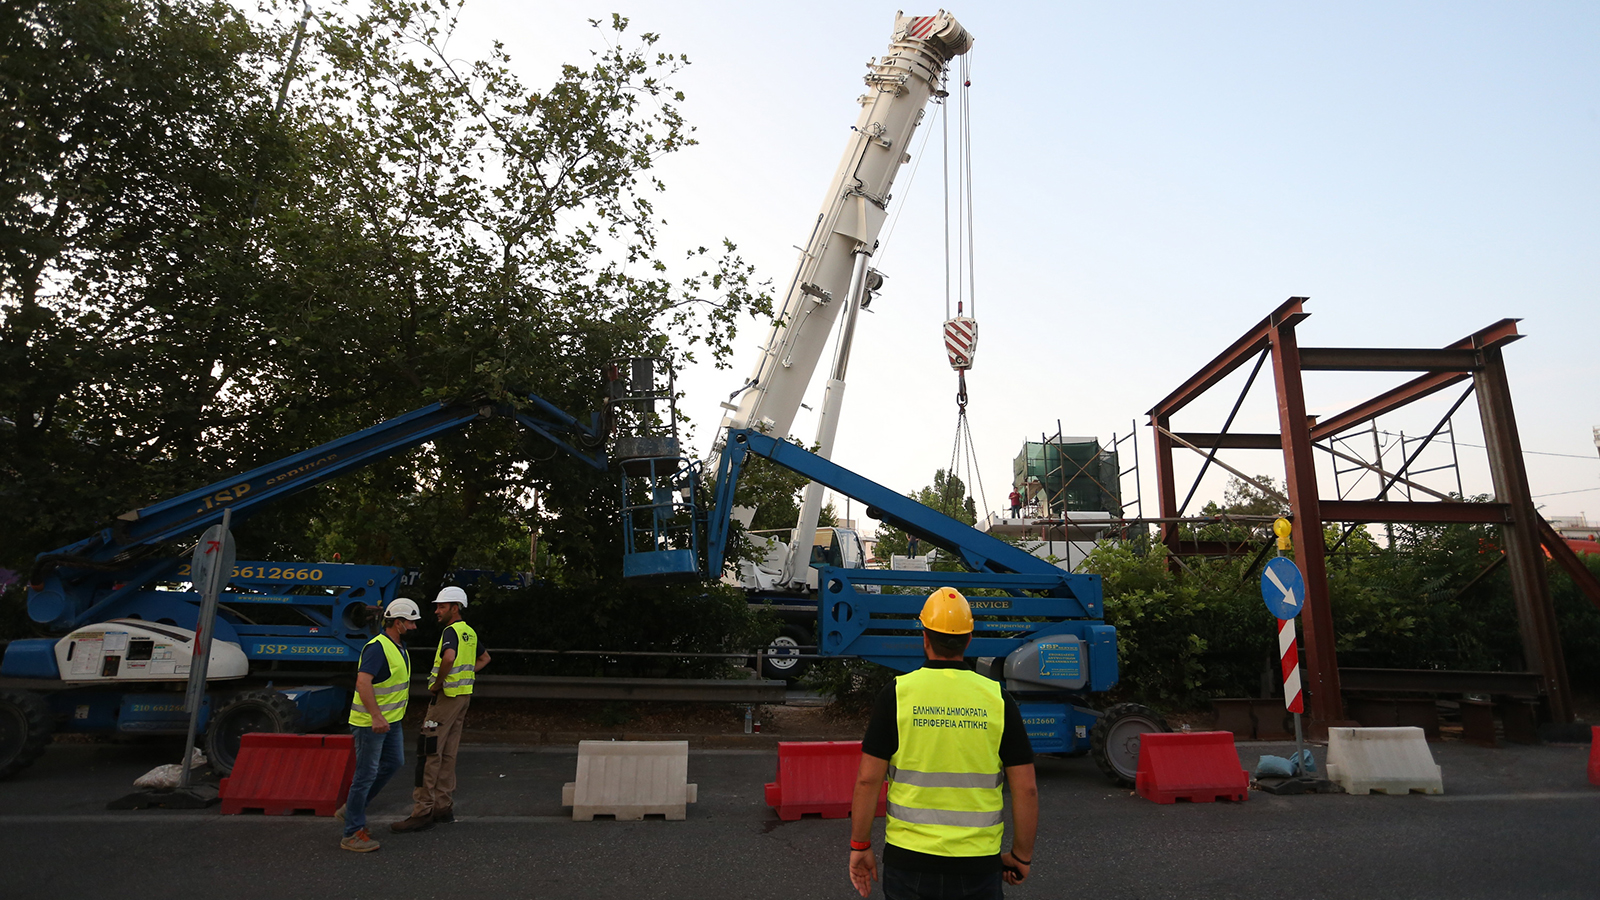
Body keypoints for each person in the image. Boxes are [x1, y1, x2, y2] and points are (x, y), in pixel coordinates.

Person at [848, 587, 1037, 899]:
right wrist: (1021, 856)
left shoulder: (897, 694)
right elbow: (1026, 788)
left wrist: (860, 845)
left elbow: (868, 780)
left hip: (908, 861)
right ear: (969, 640)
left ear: (924, 638)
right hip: (978, 864)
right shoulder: (997, 699)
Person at [392, 585, 492, 832]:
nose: (436, 611)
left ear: (454, 608)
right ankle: (443, 807)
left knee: (429, 751)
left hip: (445, 699)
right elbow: (485, 658)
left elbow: (448, 658)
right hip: (462, 698)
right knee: (448, 753)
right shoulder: (469, 632)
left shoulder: (451, 631)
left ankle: (422, 811)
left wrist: (438, 684)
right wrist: (465, 676)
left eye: (442, 607)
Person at [340, 597, 420, 852]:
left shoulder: (398, 646)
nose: (415, 626)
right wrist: (376, 716)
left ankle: (353, 809)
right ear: (397, 623)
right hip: (370, 723)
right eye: (411, 622)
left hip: (390, 721)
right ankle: (352, 833)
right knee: (365, 776)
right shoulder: (377, 648)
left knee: (394, 763)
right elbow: (363, 683)